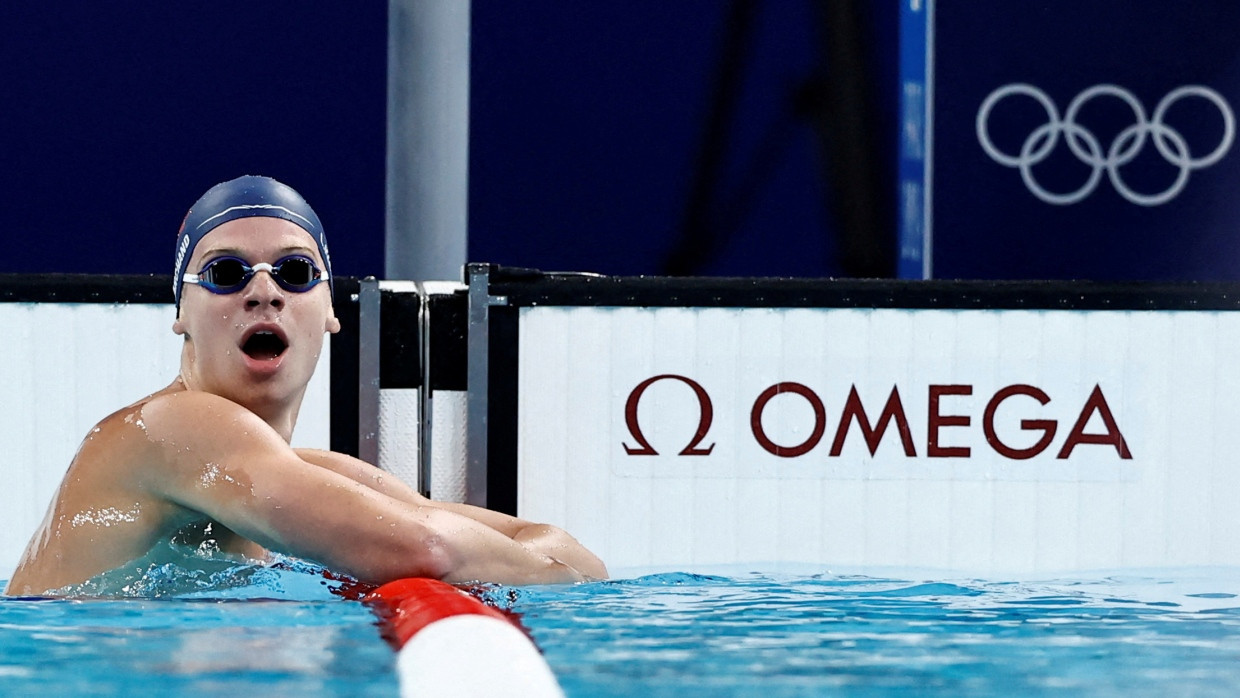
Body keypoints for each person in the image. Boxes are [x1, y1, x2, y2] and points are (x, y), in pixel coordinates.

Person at [5, 175, 607, 596]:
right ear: (181, 312)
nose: (264, 291)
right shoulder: (172, 428)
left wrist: (541, 560)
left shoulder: (310, 476)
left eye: (295, 272)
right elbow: (429, 550)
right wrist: (544, 569)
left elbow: (568, 552)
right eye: (225, 273)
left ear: (328, 311)